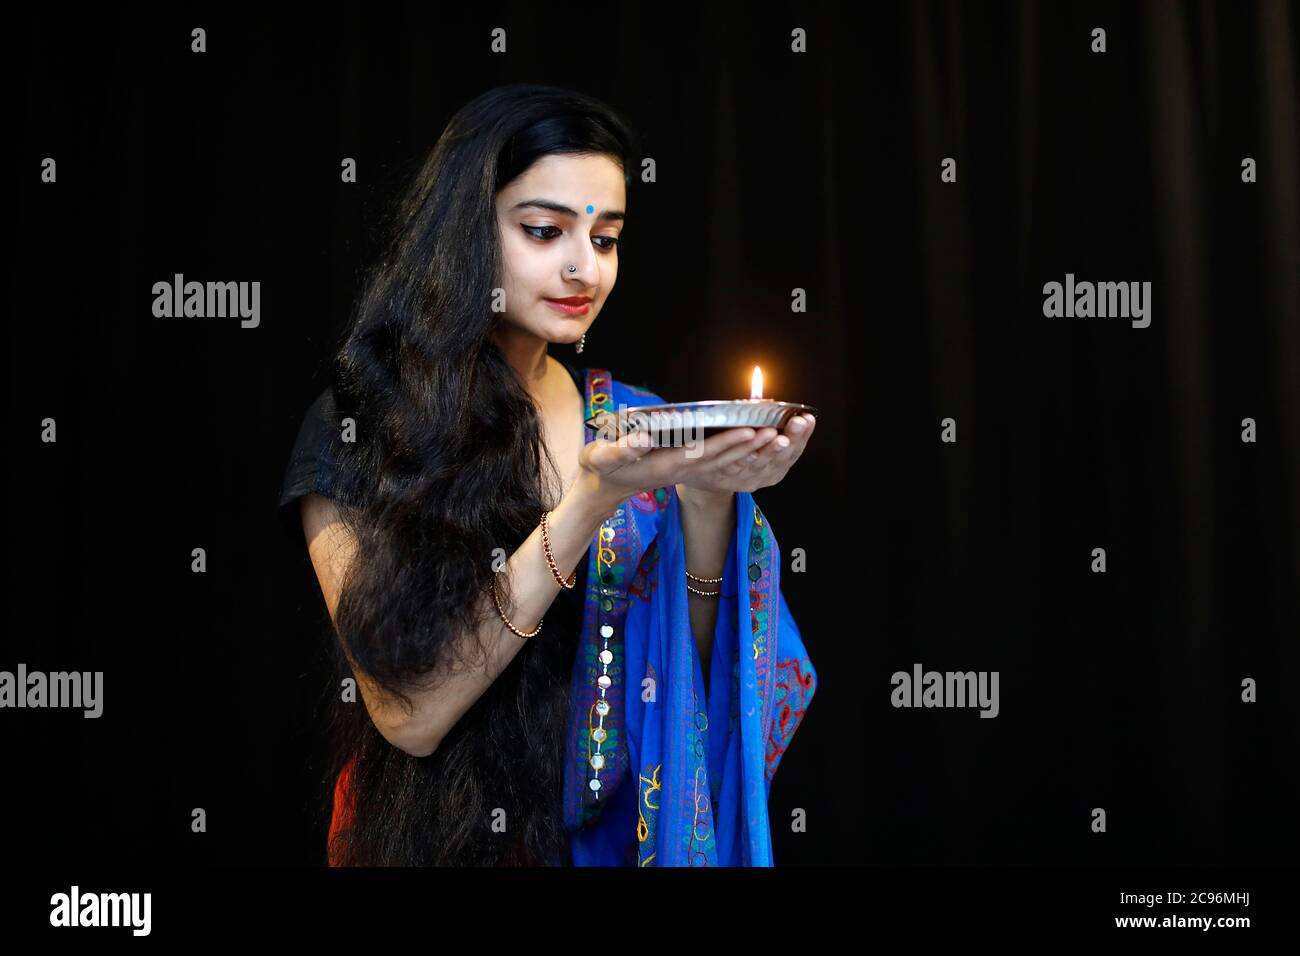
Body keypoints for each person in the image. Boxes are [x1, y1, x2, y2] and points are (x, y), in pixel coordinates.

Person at [278, 83, 817, 866]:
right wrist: (590, 502)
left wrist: (708, 500)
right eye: (544, 230)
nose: (583, 268)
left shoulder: (634, 423)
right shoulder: (364, 426)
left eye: (606, 238)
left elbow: (695, 687)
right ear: (466, 232)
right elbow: (410, 715)